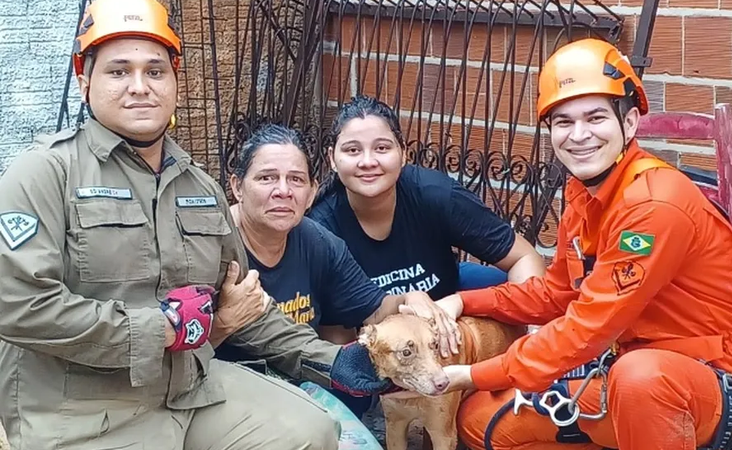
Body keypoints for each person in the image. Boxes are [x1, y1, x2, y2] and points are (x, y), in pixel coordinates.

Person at [0, 1, 397, 449]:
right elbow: (18, 307)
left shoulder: (199, 186)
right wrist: (160, 329)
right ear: (84, 79)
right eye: (118, 71)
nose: (139, 87)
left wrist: (332, 359)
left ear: (174, 81)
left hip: (187, 390)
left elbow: (243, 301)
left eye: (155, 71)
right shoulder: (43, 173)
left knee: (311, 431)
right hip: (82, 409)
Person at [408, 38, 732, 450]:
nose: (579, 136)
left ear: (629, 123)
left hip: (722, 387)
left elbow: (586, 329)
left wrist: (474, 374)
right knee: (480, 421)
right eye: (563, 122)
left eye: (595, 118)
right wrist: (462, 302)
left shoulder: (653, 204)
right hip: (627, 375)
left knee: (641, 378)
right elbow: (558, 293)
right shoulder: (586, 195)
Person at [219, 122, 460, 418]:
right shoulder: (214, 245)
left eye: (296, 179)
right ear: (236, 187)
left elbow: (372, 308)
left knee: (356, 395)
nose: (283, 191)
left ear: (311, 193)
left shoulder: (318, 241)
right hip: (229, 391)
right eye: (267, 178)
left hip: (300, 383)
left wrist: (408, 298)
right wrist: (222, 324)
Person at [308, 95, 546, 306]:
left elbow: (524, 258)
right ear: (332, 158)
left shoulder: (436, 194)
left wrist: (529, 336)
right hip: (376, 338)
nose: (368, 161)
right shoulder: (320, 228)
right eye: (352, 150)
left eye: (382, 148)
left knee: (503, 284)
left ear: (403, 153)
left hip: (450, 309)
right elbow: (333, 332)